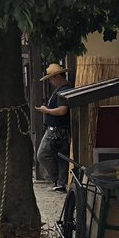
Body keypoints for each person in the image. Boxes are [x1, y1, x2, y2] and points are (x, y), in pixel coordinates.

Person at [35, 63, 72, 192]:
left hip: (57, 129)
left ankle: (57, 179)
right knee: (61, 156)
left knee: (43, 154)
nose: (50, 82)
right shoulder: (63, 88)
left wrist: (47, 110)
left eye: (51, 79)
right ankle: (60, 182)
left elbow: (62, 110)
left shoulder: (63, 90)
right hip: (60, 129)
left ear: (57, 77)